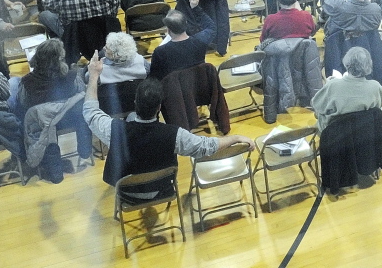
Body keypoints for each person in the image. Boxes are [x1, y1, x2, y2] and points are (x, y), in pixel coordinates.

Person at [83, 56, 254, 200]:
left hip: (127, 193)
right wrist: (236, 137)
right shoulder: (175, 134)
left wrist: (93, 75)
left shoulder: (114, 130)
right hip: (161, 189)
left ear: (135, 103)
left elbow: (90, 111)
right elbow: (206, 147)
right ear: (159, 108)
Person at [15, 39, 90, 173]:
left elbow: (23, 103)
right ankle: (85, 148)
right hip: (70, 121)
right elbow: (81, 91)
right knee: (81, 106)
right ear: (60, 59)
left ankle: (53, 167)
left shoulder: (27, 82)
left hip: (44, 127)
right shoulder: (72, 76)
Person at [311, 47, 382, 132]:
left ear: (347, 63)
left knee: (320, 113)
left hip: (336, 136)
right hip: (365, 134)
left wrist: (328, 85)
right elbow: (379, 106)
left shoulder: (332, 85)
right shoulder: (376, 87)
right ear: (369, 64)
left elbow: (316, 104)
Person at [148, 6, 215, 80]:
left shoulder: (160, 52)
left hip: (173, 89)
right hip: (198, 85)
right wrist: (196, 7)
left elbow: (154, 78)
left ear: (168, 30)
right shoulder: (201, 41)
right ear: (186, 23)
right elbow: (211, 27)